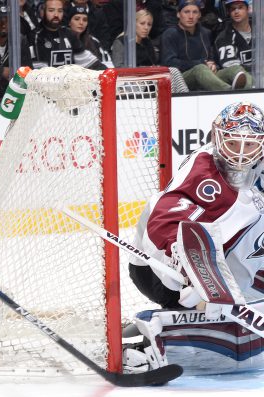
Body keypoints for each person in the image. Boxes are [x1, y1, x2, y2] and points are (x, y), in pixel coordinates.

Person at [123, 102, 264, 375]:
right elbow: (164, 216)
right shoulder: (205, 171)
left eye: (251, 146)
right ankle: (146, 342)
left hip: (231, 264)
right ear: (217, 137)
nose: (242, 154)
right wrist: (185, 264)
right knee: (215, 310)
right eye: (234, 144)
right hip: (162, 269)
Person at [159, 0, 250, 92]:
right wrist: (200, 63)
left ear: (199, 15)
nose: (191, 16)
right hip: (180, 79)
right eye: (186, 12)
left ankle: (250, 93)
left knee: (236, 69)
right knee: (200, 68)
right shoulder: (170, 34)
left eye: (195, 12)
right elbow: (168, 63)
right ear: (178, 14)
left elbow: (212, 58)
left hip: (206, 75)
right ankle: (231, 93)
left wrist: (214, 65)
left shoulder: (205, 33)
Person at [110, 9, 189, 93]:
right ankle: (173, 99)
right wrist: (142, 69)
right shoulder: (121, 42)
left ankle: (182, 96)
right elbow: (118, 68)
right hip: (131, 80)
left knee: (173, 71)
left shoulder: (147, 42)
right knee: (169, 74)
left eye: (149, 24)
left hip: (150, 77)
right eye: (142, 23)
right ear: (133, 24)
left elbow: (154, 63)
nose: (146, 27)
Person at [30, 0, 106, 70]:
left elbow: (90, 62)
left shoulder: (69, 34)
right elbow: (39, 72)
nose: (56, 15)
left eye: (60, 11)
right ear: (43, 12)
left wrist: (107, 72)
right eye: (51, 10)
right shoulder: (35, 36)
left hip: (70, 82)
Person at [214, 0, 252, 76]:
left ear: (248, 9)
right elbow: (232, 69)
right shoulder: (223, 38)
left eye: (240, 8)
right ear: (229, 12)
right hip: (242, 82)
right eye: (233, 9)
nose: (236, 11)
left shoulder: (260, 30)